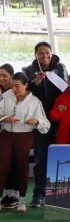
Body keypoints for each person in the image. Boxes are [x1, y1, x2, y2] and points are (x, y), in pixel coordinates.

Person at [22, 41, 67, 208]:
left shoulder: (60, 67)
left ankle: (58, 193)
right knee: (40, 159)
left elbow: (66, 88)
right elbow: (25, 93)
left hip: (58, 119)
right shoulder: (27, 70)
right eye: (41, 53)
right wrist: (36, 84)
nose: (45, 56)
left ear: (51, 53)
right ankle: (39, 194)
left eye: (47, 52)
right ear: (36, 55)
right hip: (39, 121)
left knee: (60, 157)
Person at [0, 72, 50, 213]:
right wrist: (4, 118)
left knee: (22, 167)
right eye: (12, 86)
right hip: (6, 135)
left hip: (24, 135)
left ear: (26, 85)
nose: (14, 89)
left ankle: (21, 201)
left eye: (17, 86)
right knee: (2, 167)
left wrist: (36, 121)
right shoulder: (7, 95)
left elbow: (46, 124)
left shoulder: (34, 102)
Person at [0, 64, 19, 210]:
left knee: (12, 163)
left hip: (14, 132)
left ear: (11, 76)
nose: (1, 79)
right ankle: (7, 194)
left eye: (4, 76)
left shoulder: (17, 92)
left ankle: (14, 195)